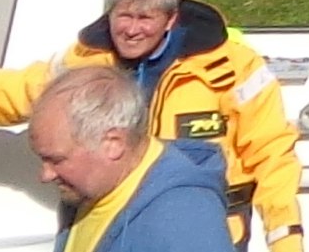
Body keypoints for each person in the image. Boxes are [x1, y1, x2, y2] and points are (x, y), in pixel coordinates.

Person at [0, 0, 303, 251]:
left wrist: (285, 240)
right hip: (104, 222)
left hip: (195, 228)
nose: (132, 29)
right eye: (123, 16)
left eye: (145, 18)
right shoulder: (88, 59)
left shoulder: (230, 67)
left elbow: (272, 155)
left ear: (170, 19)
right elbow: (24, 90)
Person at [30, 65, 237, 252]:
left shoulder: (183, 223)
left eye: (56, 160)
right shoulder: (87, 192)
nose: (45, 175)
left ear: (113, 143)